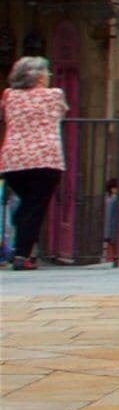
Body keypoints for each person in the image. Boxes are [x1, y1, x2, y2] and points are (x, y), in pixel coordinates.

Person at [3, 56, 64, 268]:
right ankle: (23, 256)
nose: (48, 77)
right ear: (38, 77)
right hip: (45, 159)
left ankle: (21, 246)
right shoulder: (54, 95)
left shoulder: (9, 95)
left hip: (13, 160)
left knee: (27, 205)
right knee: (35, 207)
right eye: (46, 74)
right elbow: (61, 113)